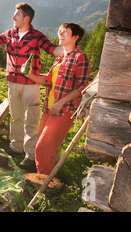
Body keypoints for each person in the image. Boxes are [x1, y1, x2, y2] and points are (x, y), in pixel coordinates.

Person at [0, 3, 63, 171]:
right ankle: (16, 147)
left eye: (17, 15)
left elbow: (52, 49)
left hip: (31, 85)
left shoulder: (37, 36)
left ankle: (30, 156)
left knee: (31, 120)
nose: (13, 18)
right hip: (12, 83)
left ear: (26, 19)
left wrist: (68, 51)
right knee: (16, 117)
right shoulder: (10, 34)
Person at [25, 23, 90, 175]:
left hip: (64, 111)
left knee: (43, 148)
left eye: (65, 32)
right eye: (60, 31)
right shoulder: (60, 59)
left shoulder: (80, 58)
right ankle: (46, 178)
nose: (60, 34)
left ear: (75, 37)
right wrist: (28, 74)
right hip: (49, 108)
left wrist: (61, 102)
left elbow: (82, 86)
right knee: (43, 146)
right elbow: (47, 81)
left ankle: (44, 185)